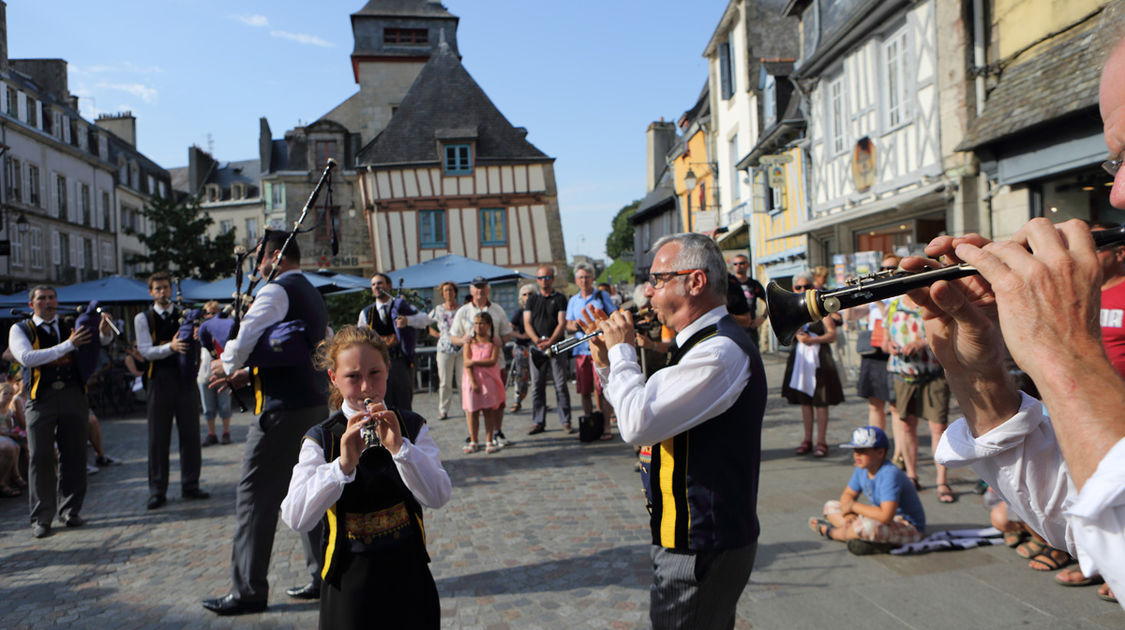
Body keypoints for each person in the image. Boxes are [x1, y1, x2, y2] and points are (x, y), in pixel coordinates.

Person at [580, 232, 765, 629]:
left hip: (702, 543)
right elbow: (645, 410)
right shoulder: (696, 346)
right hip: (687, 536)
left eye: (658, 279)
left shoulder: (719, 351)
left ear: (695, 282)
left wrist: (623, 351)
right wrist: (609, 364)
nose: (648, 292)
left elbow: (636, 425)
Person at [280, 326, 450, 629]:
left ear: (387, 370)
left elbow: (438, 496)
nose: (366, 387)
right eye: (352, 377)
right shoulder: (322, 438)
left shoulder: (410, 426)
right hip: (349, 582)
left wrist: (400, 449)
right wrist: (342, 466)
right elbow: (296, 517)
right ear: (333, 378)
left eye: (375, 373)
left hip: (408, 574)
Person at [202, 230, 328, 615]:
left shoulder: (275, 291)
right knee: (308, 492)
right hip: (311, 405)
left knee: (254, 497)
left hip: (281, 410)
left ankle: (248, 591)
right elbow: (296, 348)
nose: (257, 268)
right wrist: (250, 372)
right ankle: (324, 576)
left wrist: (228, 363)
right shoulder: (310, 291)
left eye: (260, 260)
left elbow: (242, 339)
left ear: (274, 257)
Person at [8, 286, 113, 537]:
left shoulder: (70, 324)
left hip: (73, 394)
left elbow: (97, 343)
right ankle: (42, 517)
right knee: (41, 456)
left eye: (51, 298)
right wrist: (67, 345)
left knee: (75, 453)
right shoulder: (20, 329)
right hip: (40, 398)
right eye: (41, 299)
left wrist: (104, 332)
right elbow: (26, 357)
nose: (47, 302)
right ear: (31, 304)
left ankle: (70, 510)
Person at [134, 271, 209, 510]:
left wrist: (198, 337)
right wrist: (171, 347)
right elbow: (145, 351)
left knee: (190, 434)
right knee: (158, 438)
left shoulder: (183, 314)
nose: (163, 292)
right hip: (159, 380)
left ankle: (190, 484)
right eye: (158, 289)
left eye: (165, 288)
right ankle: (157, 490)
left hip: (184, 379)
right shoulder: (143, 318)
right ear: (151, 292)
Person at [808, 426, 925, 555]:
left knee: (867, 527)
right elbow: (847, 495)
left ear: (880, 452)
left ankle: (833, 532)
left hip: (907, 527)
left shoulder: (890, 475)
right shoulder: (862, 468)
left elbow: (886, 516)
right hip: (878, 518)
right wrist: (849, 515)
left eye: (862, 450)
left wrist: (852, 506)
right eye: (855, 450)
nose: (856, 454)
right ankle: (855, 535)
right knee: (831, 506)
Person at [882, 292, 952, 501]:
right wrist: (890, 347)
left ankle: (942, 481)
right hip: (903, 375)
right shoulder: (893, 305)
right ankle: (912, 475)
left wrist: (921, 343)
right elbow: (884, 341)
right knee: (906, 426)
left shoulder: (933, 304)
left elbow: (947, 333)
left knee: (938, 427)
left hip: (933, 373)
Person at [781, 272, 844, 457]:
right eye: (798, 287)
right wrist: (797, 336)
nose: (802, 290)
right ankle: (807, 439)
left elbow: (832, 334)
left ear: (813, 287)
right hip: (800, 359)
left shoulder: (820, 307)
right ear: (793, 289)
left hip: (819, 359)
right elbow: (784, 335)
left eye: (807, 286)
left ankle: (821, 441)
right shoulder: (793, 309)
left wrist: (814, 340)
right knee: (805, 402)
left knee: (821, 401)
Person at [449, 276, 513, 447]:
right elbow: (453, 336)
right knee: (472, 403)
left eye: (483, 287)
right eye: (477, 288)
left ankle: (496, 433)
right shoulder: (464, 311)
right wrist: (463, 340)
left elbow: (507, 332)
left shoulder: (497, 310)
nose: (480, 291)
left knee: (497, 401)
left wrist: (502, 340)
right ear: (471, 290)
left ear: (488, 289)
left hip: (495, 363)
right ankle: (474, 436)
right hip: (472, 367)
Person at [358, 273, 431, 412]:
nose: (376, 287)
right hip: (376, 365)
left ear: (389, 286)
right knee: (382, 404)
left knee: (404, 403)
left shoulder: (402, 306)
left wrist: (407, 321)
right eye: (373, 284)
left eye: (380, 283)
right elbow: (359, 338)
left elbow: (425, 320)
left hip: (399, 362)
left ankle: (406, 433)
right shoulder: (366, 312)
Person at [565, 263, 617, 434]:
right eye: (581, 277)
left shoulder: (601, 296)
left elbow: (613, 316)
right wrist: (582, 327)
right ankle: (590, 425)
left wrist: (598, 325)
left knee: (603, 389)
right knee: (585, 389)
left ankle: (606, 426)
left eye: (587, 276)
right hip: (581, 349)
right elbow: (568, 324)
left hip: (600, 347)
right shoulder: (573, 300)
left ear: (593, 278)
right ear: (576, 280)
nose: (584, 280)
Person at [524, 265, 571, 434]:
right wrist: (537, 340)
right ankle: (538, 421)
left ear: (553, 278)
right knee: (537, 386)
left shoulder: (560, 298)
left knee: (560, 385)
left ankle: (565, 421)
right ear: (537, 280)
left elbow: (562, 322)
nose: (544, 280)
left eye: (547, 277)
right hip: (537, 348)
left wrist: (551, 341)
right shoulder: (532, 300)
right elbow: (527, 322)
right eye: (541, 278)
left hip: (556, 346)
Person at [462, 312, 506, 454]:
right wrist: (473, 381)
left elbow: (492, 360)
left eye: (481, 323)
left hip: (489, 380)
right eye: (475, 323)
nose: (478, 326)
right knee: (472, 411)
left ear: (488, 325)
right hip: (472, 379)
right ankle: (474, 440)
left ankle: (489, 440)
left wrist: (475, 361)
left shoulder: (494, 341)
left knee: (488, 411)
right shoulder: (469, 342)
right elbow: (466, 362)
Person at [197, 300, 233, 446]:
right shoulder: (200, 330)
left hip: (222, 372)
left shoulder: (224, 330)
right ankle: (211, 433)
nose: (210, 316)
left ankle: (226, 432)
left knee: (225, 405)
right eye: (208, 313)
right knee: (208, 407)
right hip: (204, 373)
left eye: (214, 313)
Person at [427, 281, 463, 420]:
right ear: (442, 293)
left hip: (460, 348)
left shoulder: (462, 309)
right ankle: (443, 409)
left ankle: (465, 407)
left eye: (451, 290)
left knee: (462, 381)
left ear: (455, 292)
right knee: (445, 382)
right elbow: (426, 322)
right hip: (444, 348)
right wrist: (434, 333)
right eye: (446, 290)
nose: (449, 293)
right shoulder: (438, 309)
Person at [507, 284, 535, 413]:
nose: (528, 297)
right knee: (521, 375)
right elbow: (509, 328)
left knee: (537, 376)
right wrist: (521, 335)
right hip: (522, 347)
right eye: (525, 294)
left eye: (530, 294)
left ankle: (538, 401)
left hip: (536, 346)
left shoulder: (538, 310)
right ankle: (518, 401)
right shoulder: (519, 312)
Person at [730, 254, 767, 346]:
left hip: (750, 329)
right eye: (735, 264)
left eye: (741, 263)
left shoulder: (754, 284)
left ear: (748, 265)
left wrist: (762, 318)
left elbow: (770, 302)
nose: (738, 266)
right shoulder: (729, 283)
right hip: (732, 327)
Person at [0, 382, 26, 497]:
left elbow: (10, 426)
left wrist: (15, 432)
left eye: (11, 393)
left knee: (17, 446)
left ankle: (15, 475)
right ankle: (12, 478)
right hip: (2, 435)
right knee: (10, 447)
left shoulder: (8, 410)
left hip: (6, 434)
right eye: (5, 393)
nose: (9, 396)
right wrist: (9, 434)